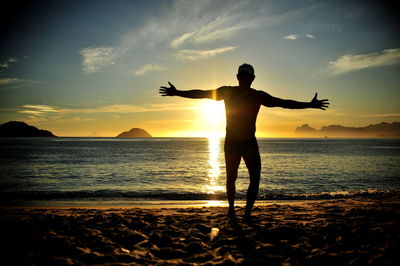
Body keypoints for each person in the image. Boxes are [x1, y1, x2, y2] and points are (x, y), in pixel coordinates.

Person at [159, 63, 329, 220]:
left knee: (248, 178)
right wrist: (178, 92)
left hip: (245, 142)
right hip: (239, 142)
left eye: (246, 76)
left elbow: (284, 103)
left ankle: (242, 212)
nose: (245, 78)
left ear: (245, 77)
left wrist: (309, 104)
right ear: (243, 77)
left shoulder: (250, 95)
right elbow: (202, 94)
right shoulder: (240, 93)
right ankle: (234, 210)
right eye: (244, 76)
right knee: (236, 178)